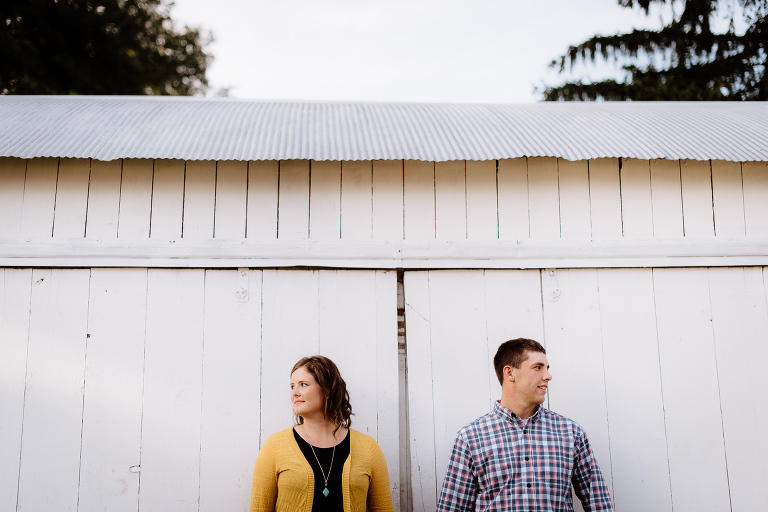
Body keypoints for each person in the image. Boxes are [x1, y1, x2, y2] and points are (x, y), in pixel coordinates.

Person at [436, 338, 613, 512]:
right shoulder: (471, 437)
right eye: (538, 367)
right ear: (510, 373)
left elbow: (599, 504)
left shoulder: (571, 433)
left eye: (547, 368)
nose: (548, 376)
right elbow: (452, 508)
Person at [249, 355, 394, 512]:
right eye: (292, 386)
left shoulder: (368, 448)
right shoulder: (275, 446)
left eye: (303, 384)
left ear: (327, 389)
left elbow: (383, 508)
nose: (295, 393)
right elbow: (259, 508)